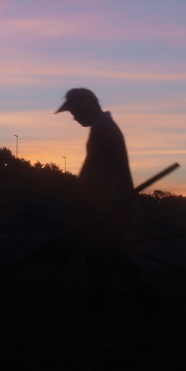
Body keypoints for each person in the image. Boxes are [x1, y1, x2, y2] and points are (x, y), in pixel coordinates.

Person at [55, 88, 157, 314]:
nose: (73, 117)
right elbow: (95, 172)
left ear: (86, 108)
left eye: (74, 111)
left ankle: (103, 303)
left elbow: (106, 174)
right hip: (109, 205)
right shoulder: (102, 130)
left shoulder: (105, 131)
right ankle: (146, 298)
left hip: (110, 207)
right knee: (112, 254)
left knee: (99, 253)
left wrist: (98, 208)